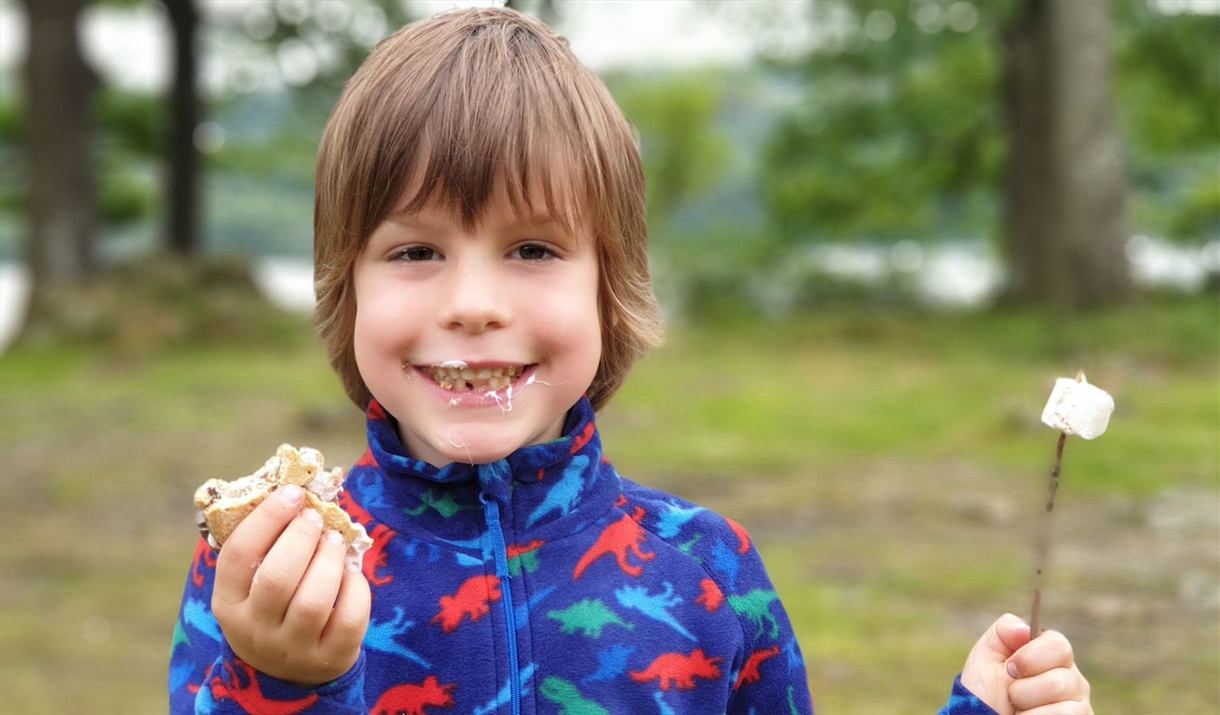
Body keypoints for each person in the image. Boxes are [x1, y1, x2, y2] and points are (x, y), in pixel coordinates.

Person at [169, 7, 1093, 715]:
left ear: (609, 293)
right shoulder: (267, 569)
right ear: (347, 291)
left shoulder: (708, 569)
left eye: (533, 249)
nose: (473, 303)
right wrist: (282, 681)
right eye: (415, 251)